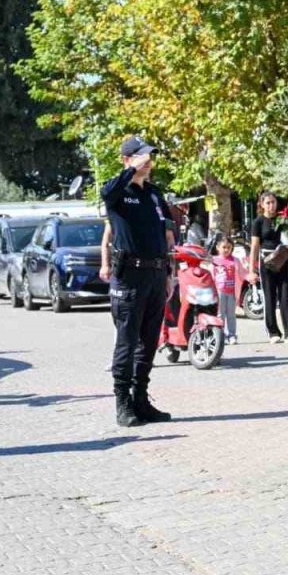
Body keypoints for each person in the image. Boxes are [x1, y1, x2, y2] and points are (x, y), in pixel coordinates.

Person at [102, 135, 174, 427]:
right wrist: (132, 170)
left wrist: (169, 274)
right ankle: (123, 403)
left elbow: (165, 236)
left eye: (150, 156)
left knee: (148, 341)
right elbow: (108, 193)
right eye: (142, 156)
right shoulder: (117, 192)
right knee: (127, 341)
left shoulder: (155, 194)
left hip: (156, 275)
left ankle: (141, 398)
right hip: (129, 276)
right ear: (126, 159)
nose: (148, 161)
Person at [247, 192, 288, 344]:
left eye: (273, 202)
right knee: (269, 296)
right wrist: (252, 270)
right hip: (266, 261)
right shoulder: (258, 222)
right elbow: (255, 246)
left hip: (283, 259)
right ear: (262, 204)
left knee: (287, 294)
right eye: (268, 203)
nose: (271, 205)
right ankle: (273, 332)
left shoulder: (283, 220)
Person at [213, 236, 242, 344]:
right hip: (219, 291)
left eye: (229, 247)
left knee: (231, 314)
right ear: (217, 247)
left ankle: (232, 335)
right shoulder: (214, 261)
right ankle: (221, 335)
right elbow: (211, 276)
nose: (226, 250)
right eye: (223, 247)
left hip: (232, 292)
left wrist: (249, 276)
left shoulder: (235, 260)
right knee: (220, 314)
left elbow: (242, 273)